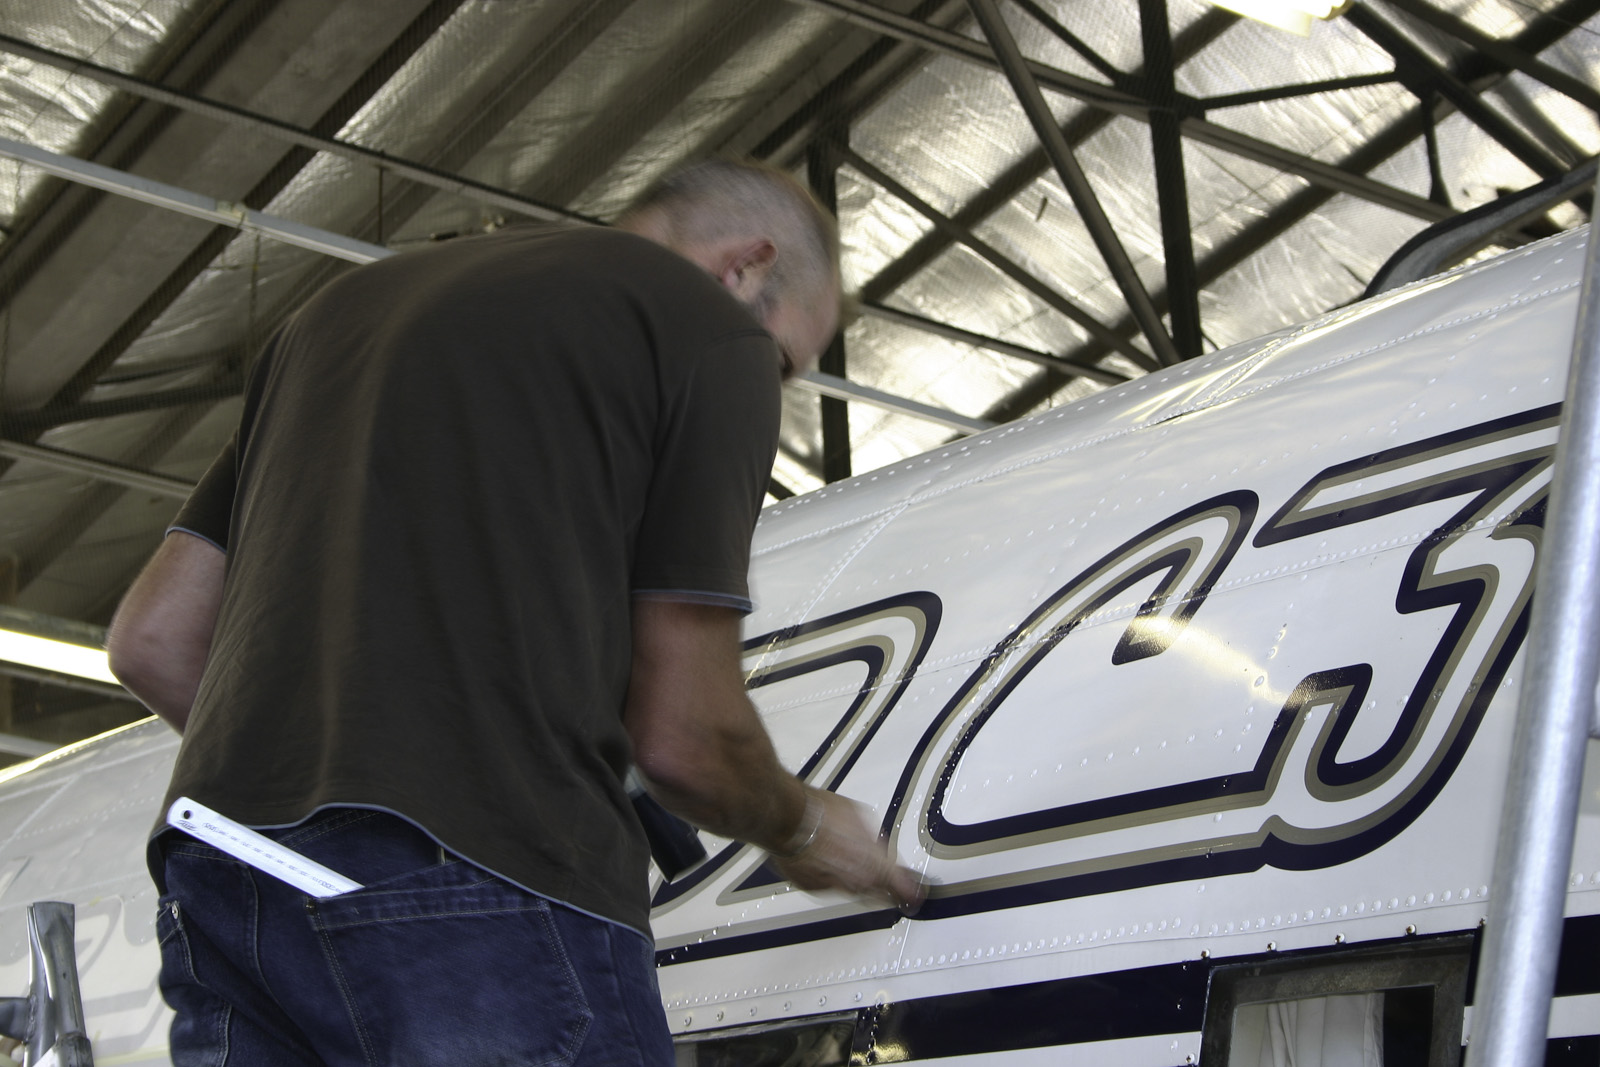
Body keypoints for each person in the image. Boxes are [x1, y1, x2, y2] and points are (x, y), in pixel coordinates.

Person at [107, 158, 922, 1067]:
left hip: (226, 873)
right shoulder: (700, 329)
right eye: (784, 359)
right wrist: (804, 828)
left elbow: (154, 641)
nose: (773, 381)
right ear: (747, 267)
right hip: (483, 880)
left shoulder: (334, 316)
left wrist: (335, 771)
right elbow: (687, 737)